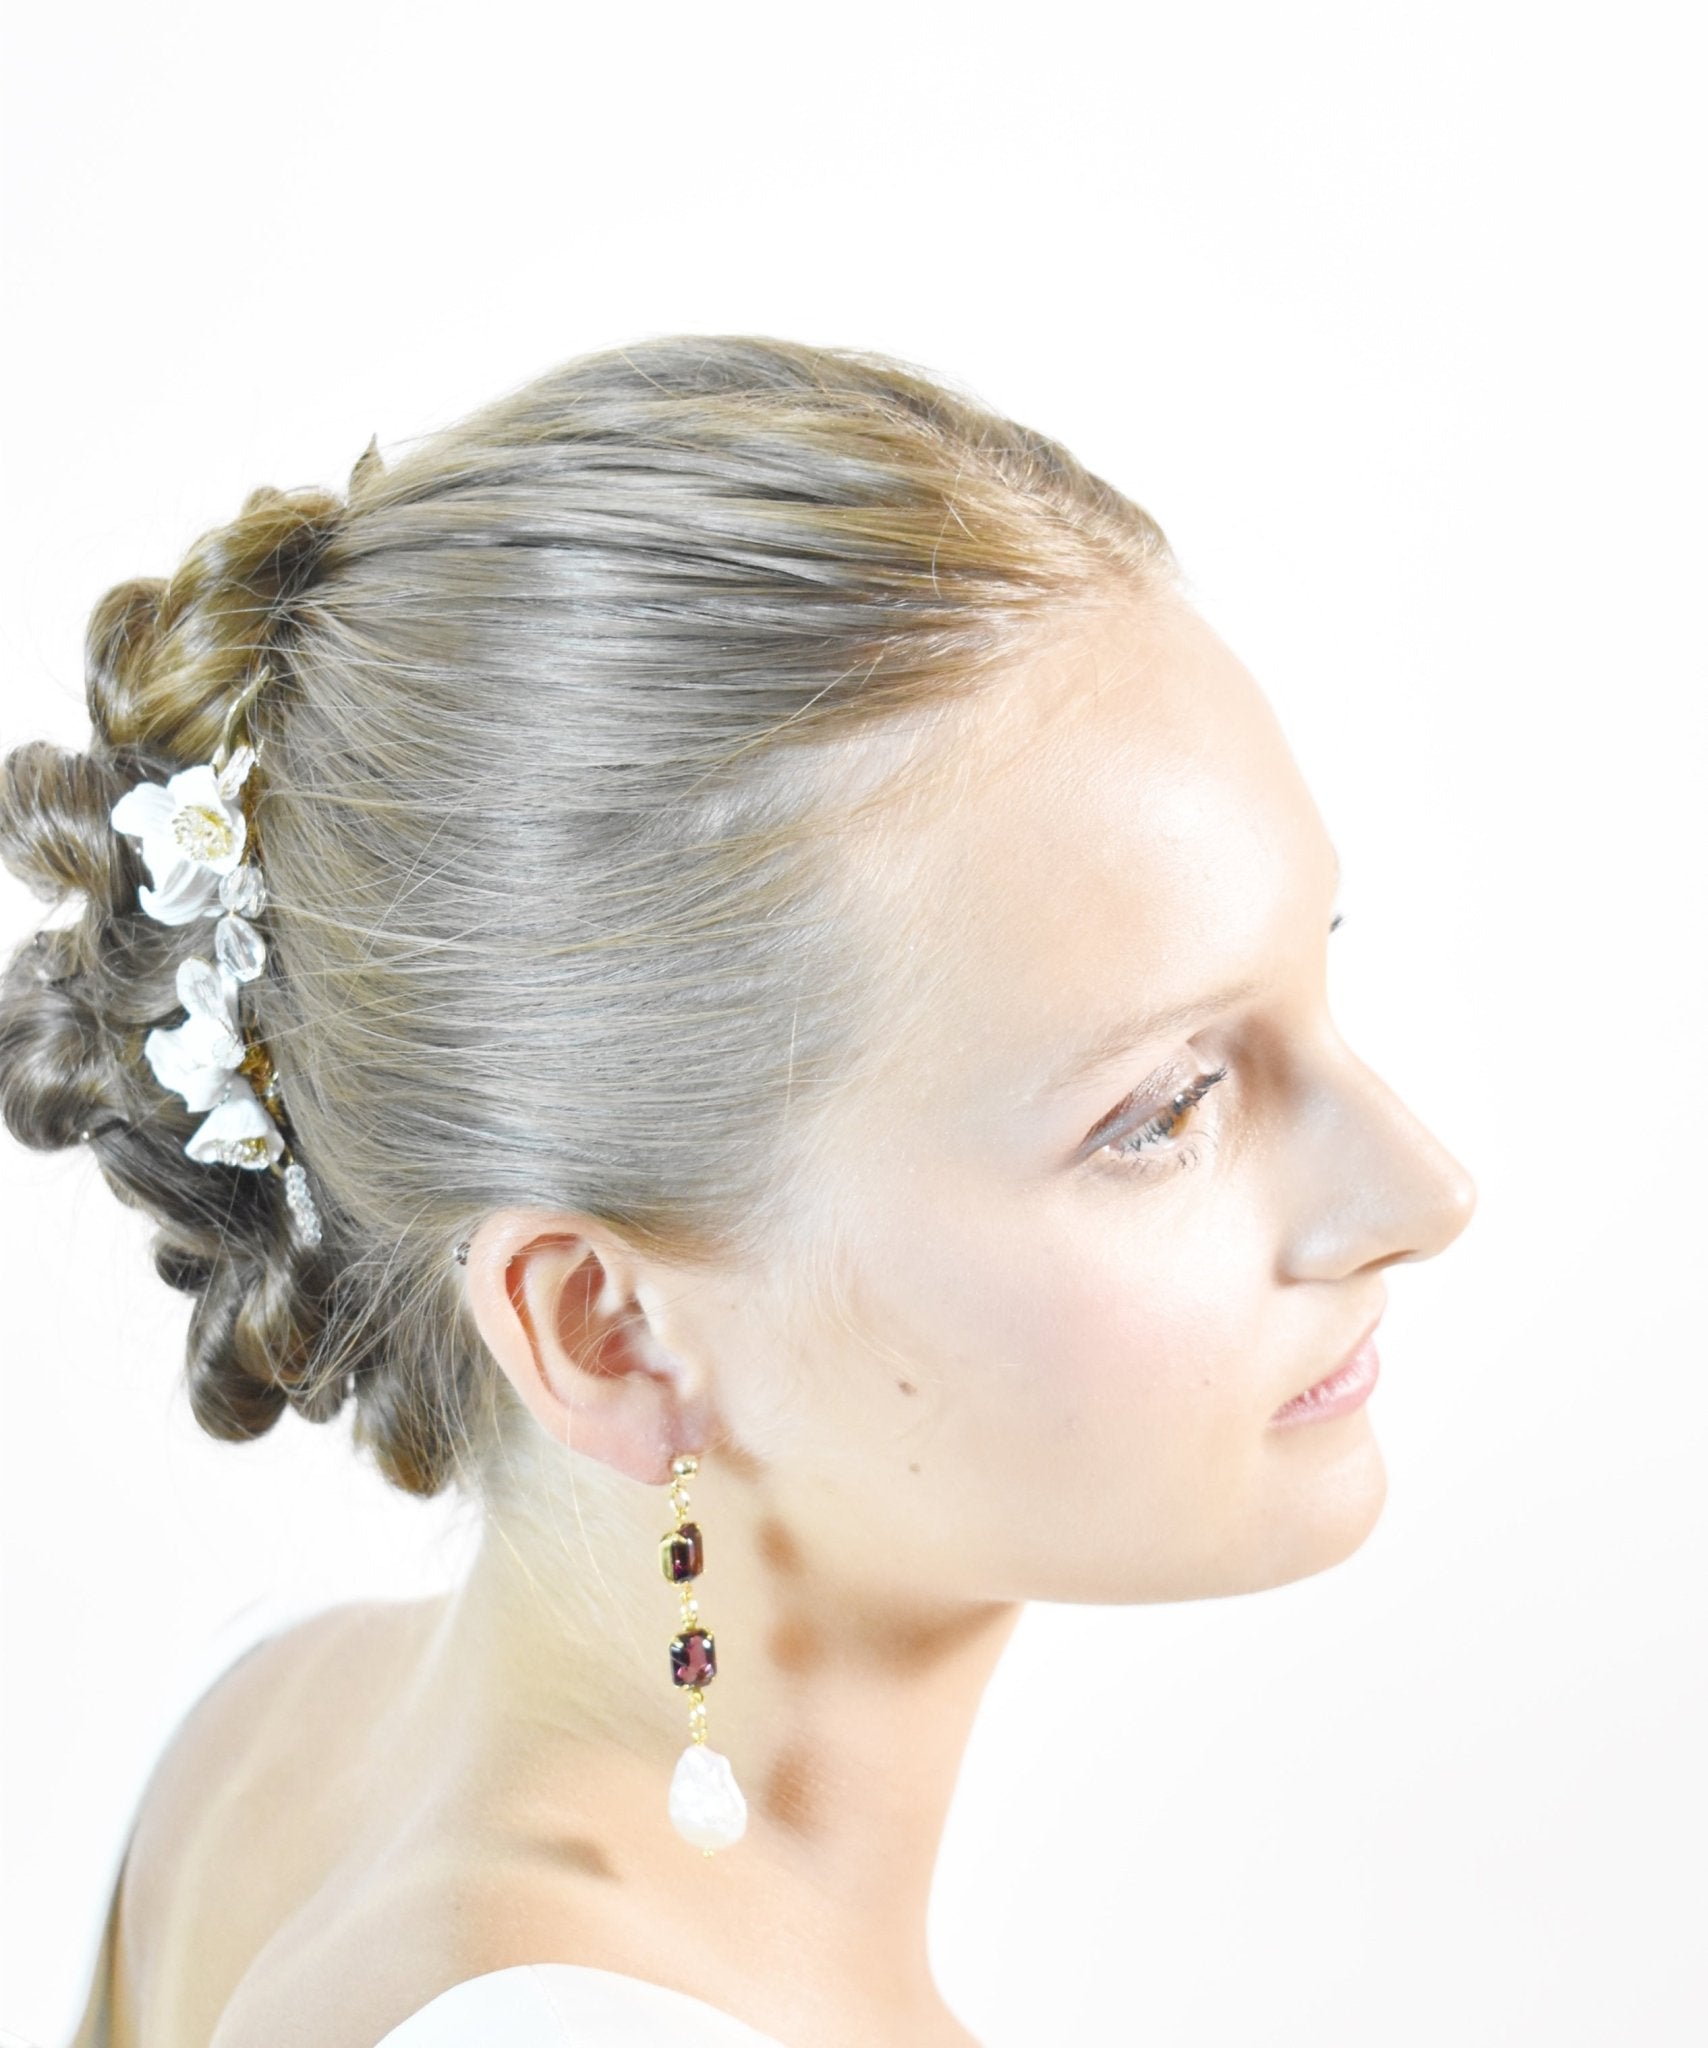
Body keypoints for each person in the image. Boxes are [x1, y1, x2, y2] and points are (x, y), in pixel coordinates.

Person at [0, 334, 1476, 2048]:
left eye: (1317, 968)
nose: (1423, 1191)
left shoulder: (255, 1730)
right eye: (1164, 1111)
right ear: (611, 1332)